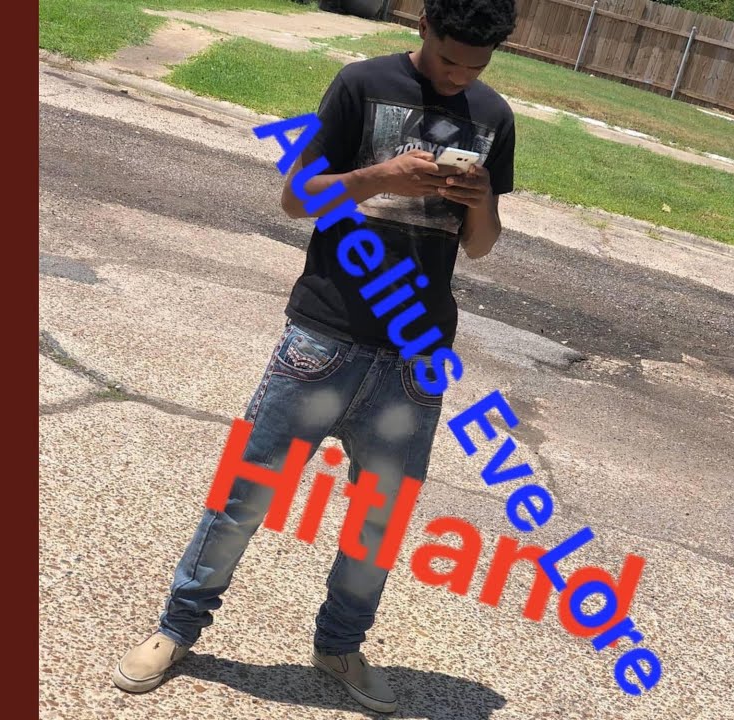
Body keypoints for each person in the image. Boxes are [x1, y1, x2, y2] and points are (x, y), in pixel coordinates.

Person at [113, 0, 518, 713]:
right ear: (423, 26)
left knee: (377, 522)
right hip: (325, 338)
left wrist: (481, 200)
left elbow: (480, 246)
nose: (460, 77)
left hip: (416, 357)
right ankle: (176, 630)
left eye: (476, 67)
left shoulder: (494, 115)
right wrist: (379, 178)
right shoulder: (362, 84)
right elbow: (296, 197)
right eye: (449, 59)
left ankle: (339, 646)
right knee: (244, 498)